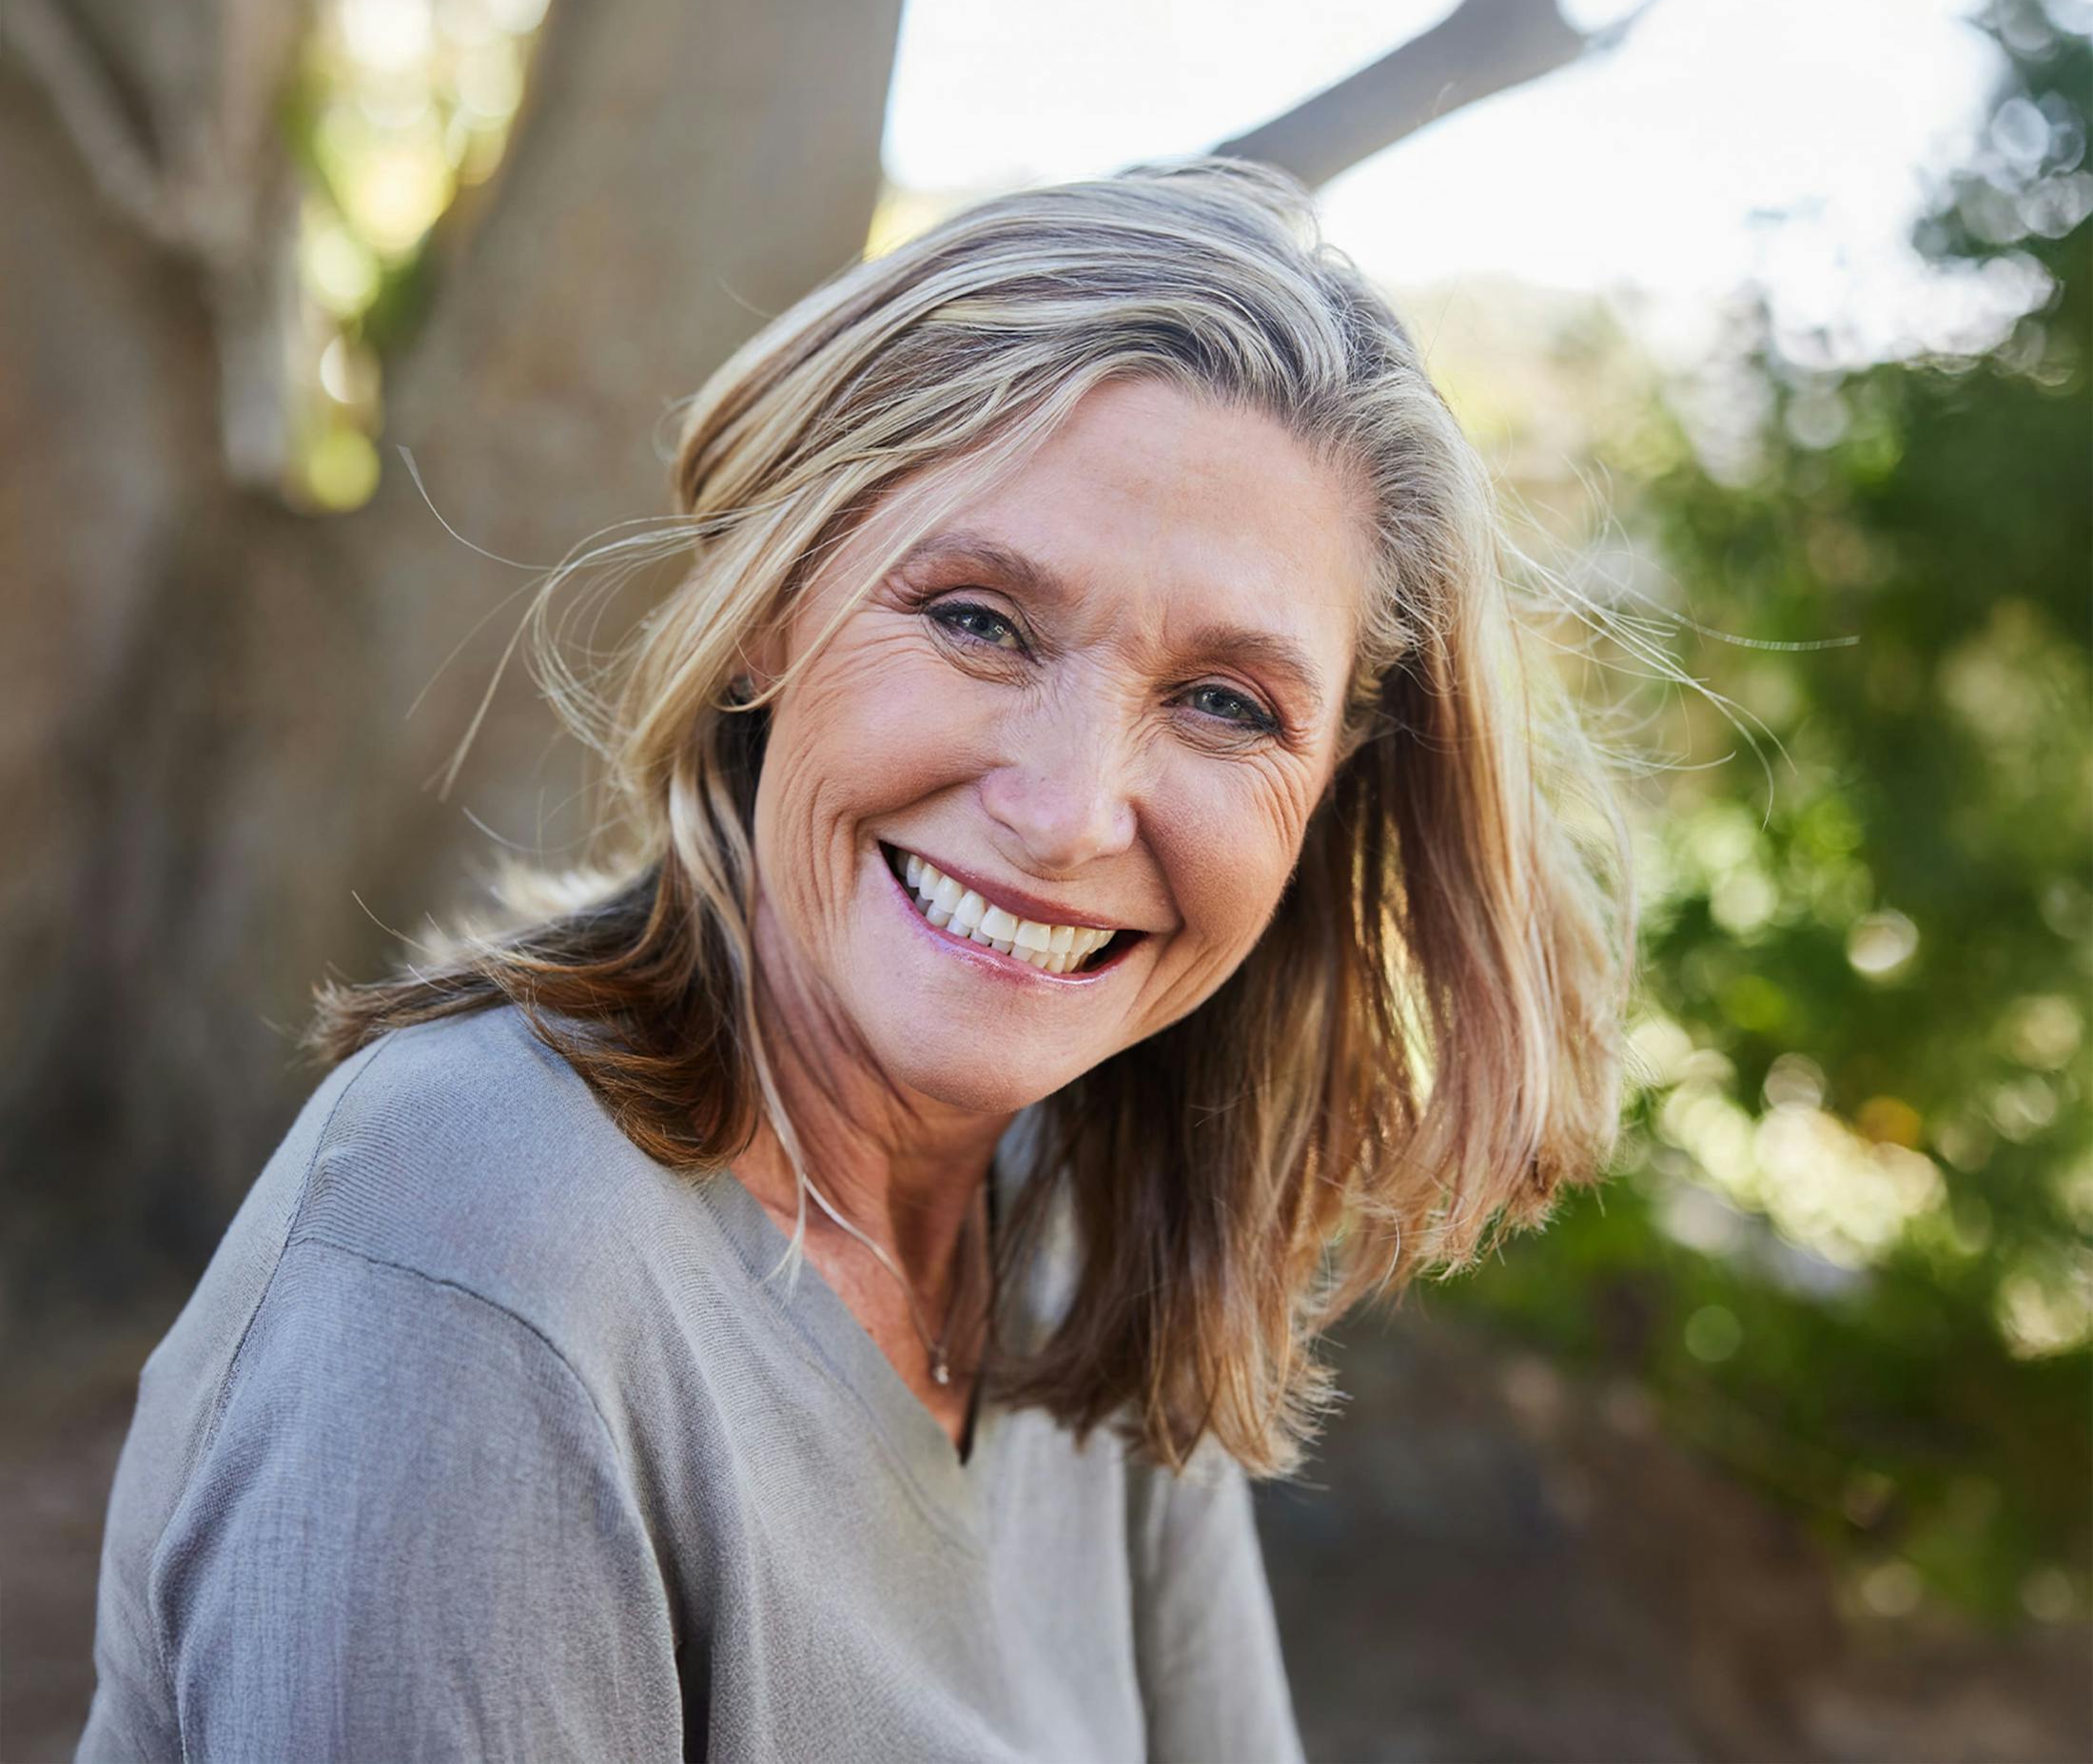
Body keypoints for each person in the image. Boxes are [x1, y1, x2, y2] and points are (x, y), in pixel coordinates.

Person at [76, 157, 1635, 1762]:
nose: (1065, 810)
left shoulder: (1074, 1232)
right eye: (978, 618)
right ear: (770, 600)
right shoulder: (473, 1254)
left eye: (1226, 703)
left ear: (1325, 795)